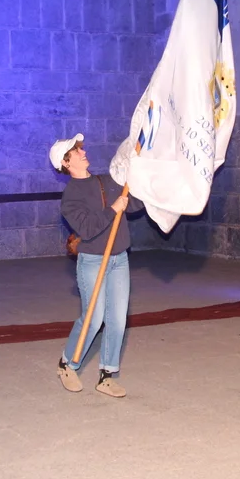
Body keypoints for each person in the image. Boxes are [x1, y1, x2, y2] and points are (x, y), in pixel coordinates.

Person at [50, 133, 144, 398]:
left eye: (81, 149)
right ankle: (67, 365)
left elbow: (132, 204)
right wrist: (113, 208)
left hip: (119, 259)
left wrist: (143, 187)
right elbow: (88, 228)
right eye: (76, 152)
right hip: (92, 261)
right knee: (93, 318)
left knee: (118, 320)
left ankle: (107, 375)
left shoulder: (105, 180)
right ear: (66, 163)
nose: (83, 152)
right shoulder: (70, 197)